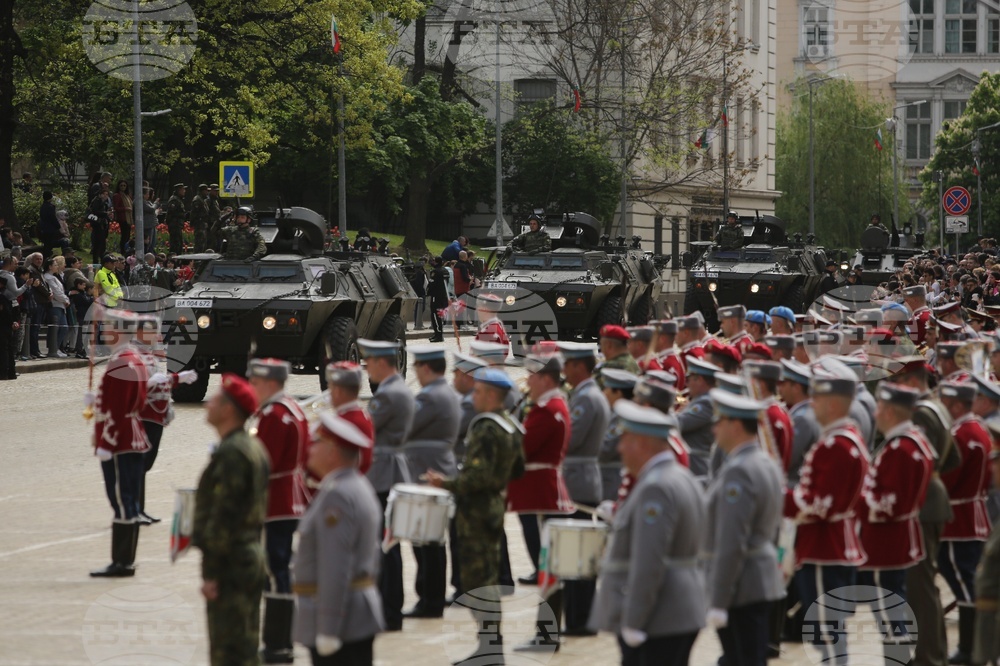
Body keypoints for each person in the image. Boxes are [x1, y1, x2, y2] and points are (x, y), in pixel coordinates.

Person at [589, 400, 706, 665]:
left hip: (660, 615)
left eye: (625, 440)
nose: (619, 448)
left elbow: (649, 561)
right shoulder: (680, 476)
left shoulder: (656, 487)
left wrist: (633, 620)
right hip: (678, 608)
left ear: (642, 443)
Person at [424, 367, 525, 666]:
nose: (473, 396)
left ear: (493, 396)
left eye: (478, 391)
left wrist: (445, 483)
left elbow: (475, 478)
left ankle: (490, 649)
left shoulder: (485, 427)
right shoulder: (510, 425)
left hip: (477, 511)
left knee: (477, 583)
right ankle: (490, 647)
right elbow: (517, 470)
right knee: (488, 579)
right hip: (494, 506)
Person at [784, 359, 869, 663]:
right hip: (832, 544)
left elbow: (821, 504)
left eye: (817, 398)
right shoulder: (843, 440)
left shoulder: (836, 445)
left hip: (824, 547)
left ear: (832, 404)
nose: (812, 404)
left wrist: (782, 498)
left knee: (827, 630)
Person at [292, 411, 384, 666]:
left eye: (317, 441)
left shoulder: (338, 496)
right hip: (355, 612)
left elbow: (336, 567)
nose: (310, 447)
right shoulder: (356, 486)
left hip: (340, 620)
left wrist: (329, 628)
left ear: (332, 451)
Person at [193, 373, 270, 666]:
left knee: (230, 653)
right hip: (245, 556)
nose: (207, 405)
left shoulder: (233, 453)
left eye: (214, 400)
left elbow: (223, 519)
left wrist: (211, 573)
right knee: (244, 647)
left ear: (228, 409)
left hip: (231, 563)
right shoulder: (249, 446)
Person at [704, 389, 785, 666]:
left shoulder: (739, 470)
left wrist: (718, 598)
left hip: (742, 584)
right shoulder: (765, 462)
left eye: (720, 421)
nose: (714, 428)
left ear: (736, 425)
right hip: (759, 576)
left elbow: (731, 540)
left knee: (742, 658)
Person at [858, 382, 935, 666]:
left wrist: (856, 498)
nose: (875, 413)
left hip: (887, 541)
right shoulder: (908, 441)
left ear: (889, 411)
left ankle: (898, 661)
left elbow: (889, 504)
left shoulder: (900, 449)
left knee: (888, 608)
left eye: (879, 407)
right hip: (896, 538)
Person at [246, 358, 310, 664]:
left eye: (256, 383)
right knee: (281, 570)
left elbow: (262, 461)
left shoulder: (273, 415)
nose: (253, 388)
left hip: (276, 500)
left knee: (275, 571)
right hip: (292, 498)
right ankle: (282, 640)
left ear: (270, 383)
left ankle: (278, 642)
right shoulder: (292, 409)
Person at [88, 310, 150, 578]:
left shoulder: (122, 361)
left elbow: (118, 409)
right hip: (129, 433)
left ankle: (123, 562)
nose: (105, 331)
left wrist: (106, 440)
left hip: (121, 437)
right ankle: (124, 560)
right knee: (127, 499)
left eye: (109, 326)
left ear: (118, 331)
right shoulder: (130, 358)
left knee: (122, 500)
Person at [359, 338, 414, 632]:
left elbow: (365, 430)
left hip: (383, 472)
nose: (366, 369)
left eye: (368, 363)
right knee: (387, 545)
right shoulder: (398, 389)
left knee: (385, 546)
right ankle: (390, 608)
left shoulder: (387, 395)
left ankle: (390, 610)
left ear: (382, 362)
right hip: (391, 470)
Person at [555, 341, 610, 635]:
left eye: (567, 364)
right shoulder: (585, 394)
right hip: (580, 475)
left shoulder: (586, 398)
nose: (563, 370)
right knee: (576, 553)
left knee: (576, 554)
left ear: (578, 366)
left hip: (579, 478)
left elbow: (570, 438)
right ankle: (580, 616)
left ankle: (581, 619)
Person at [403, 345, 461, 620]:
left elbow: (405, 425)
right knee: (431, 538)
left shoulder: (429, 396)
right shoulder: (445, 391)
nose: (415, 371)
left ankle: (430, 599)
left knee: (426, 539)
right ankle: (431, 596)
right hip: (436, 465)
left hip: (427, 470)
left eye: (415, 367)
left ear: (425, 368)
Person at [937, 381, 990, 665]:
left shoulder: (960, 433)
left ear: (957, 405)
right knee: (964, 578)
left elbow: (948, 478)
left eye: (946, 402)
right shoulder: (979, 428)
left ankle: (969, 648)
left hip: (959, 518)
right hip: (972, 512)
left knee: (964, 582)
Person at [134, 315, 196, 524]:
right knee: (139, 464)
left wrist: (177, 379)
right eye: (152, 331)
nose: (157, 336)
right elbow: (132, 385)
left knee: (145, 464)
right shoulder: (134, 356)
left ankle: (138, 508)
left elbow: (159, 383)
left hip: (156, 417)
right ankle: (134, 508)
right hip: (143, 416)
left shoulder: (150, 355)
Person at [676, 357, 722, 478]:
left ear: (700, 380)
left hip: (696, 466)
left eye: (689, 379)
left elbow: (679, 423)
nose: (687, 384)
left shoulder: (706, 403)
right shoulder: (702, 400)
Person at [42, 257, 69, 357]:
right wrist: (65, 299)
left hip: (60, 305)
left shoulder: (54, 277)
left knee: (63, 327)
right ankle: (53, 348)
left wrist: (65, 299)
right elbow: (57, 292)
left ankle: (56, 347)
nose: (57, 267)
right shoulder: (48, 277)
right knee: (58, 327)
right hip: (55, 305)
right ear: (50, 267)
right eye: (55, 265)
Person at [39, 191, 70, 258]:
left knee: (47, 245)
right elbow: (53, 218)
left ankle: (46, 257)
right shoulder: (51, 207)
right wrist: (58, 226)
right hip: (50, 229)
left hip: (44, 229)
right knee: (50, 244)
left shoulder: (42, 207)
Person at [427, 256, 449, 343]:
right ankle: (438, 333)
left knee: (435, 315)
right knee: (440, 315)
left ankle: (438, 334)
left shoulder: (435, 271)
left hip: (436, 296)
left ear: (436, 262)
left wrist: (428, 293)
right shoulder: (445, 271)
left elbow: (431, 284)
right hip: (444, 295)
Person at [89, 188, 113, 262]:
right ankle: (96, 260)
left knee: (102, 243)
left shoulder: (105, 203)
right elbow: (95, 211)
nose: (105, 196)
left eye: (107, 194)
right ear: (100, 194)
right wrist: (105, 213)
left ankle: (102, 258)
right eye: (104, 194)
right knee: (97, 243)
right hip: (97, 224)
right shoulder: (97, 201)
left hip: (103, 224)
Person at [165, 183, 188, 256]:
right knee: (175, 245)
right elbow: (172, 213)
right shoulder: (174, 200)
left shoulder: (178, 199)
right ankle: (173, 260)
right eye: (183, 189)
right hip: (174, 225)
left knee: (179, 244)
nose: (184, 191)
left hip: (178, 225)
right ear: (179, 190)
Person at [112, 180, 133, 255]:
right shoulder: (117, 195)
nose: (123, 187)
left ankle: (126, 251)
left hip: (128, 218)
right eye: (121, 185)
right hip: (123, 218)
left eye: (124, 185)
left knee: (127, 236)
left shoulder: (127, 195)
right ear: (118, 186)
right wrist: (126, 208)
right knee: (124, 236)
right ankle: (123, 251)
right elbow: (116, 208)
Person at [190, 184, 211, 252]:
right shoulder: (197, 200)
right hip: (199, 225)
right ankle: (197, 260)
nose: (207, 193)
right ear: (202, 191)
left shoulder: (202, 200)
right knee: (199, 244)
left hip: (202, 225)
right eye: (206, 191)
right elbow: (195, 213)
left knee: (203, 244)